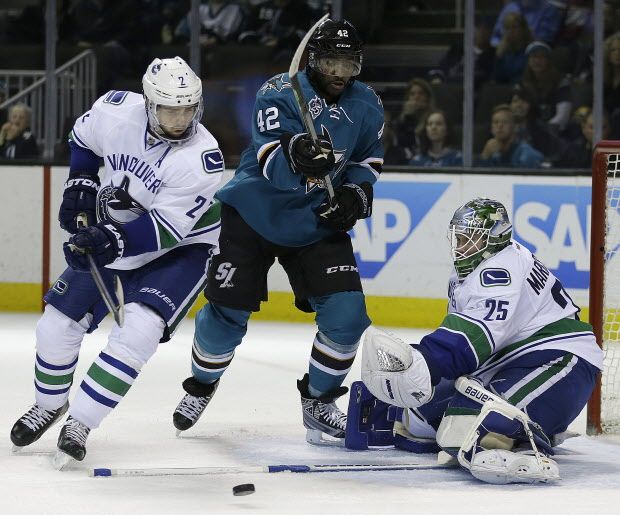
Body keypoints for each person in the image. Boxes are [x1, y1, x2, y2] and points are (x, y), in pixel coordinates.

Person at [172, 18, 384, 445]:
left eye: (349, 64)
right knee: (225, 316)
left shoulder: (368, 105)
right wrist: (299, 155)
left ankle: (319, 401)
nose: (340, 74)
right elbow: (270, 160)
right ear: (312, 61)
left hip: (314, 223)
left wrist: (354, 198)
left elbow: (366, 162)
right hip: (251, 214)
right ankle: (201, 385)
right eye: (330, 62)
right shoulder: (278, 91)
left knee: (347, 317)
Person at [10, 57, 223, 466]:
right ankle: (49, 405)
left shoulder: (201, 156)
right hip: (115, 234)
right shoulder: (114, 110)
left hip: (180, 251)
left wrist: (104, 237)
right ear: (147, 103)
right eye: (169, 108)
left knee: (139, 330)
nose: (180, 119)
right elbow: (83, 139)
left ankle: (82, 423)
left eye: (188, 108)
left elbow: (165, 231)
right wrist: (81, 183)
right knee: (54, 326)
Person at [358, 197, 603, 484]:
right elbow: (465, 346)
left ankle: (526, 437)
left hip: (560, 361)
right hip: (510, 361)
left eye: (470, 237)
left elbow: (470, 340)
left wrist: (422, 361)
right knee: (419, 417)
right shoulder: (469, 270)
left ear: (495, 238)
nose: (461, 244)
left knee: (474, 425)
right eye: (459, 236)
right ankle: (520, 427)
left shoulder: (501, 269)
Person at [520, 41, 572, 131]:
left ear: (548, 60)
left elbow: (563, 115)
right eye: (533, 57)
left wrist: (545, 130)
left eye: (541, 57)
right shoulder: (523, 84)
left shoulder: (561, 82)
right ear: (528, 61)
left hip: (554, 129)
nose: (537, 61)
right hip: (529, 131)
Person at [478, 104, 544, 168]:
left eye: (505, 122)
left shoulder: (526, 153)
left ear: (515, 127)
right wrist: (485, 156)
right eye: (496, 122)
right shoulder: (492, 152)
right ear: (491, 129)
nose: (500, 126)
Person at [492, 11, 532, 84]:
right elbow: (497, 79)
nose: (510, 31)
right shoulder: (505, 51)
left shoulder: (531, 49)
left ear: (523, 29)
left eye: (514, 27)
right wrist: (499, 57)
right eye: (507, 28)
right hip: (507, 90)